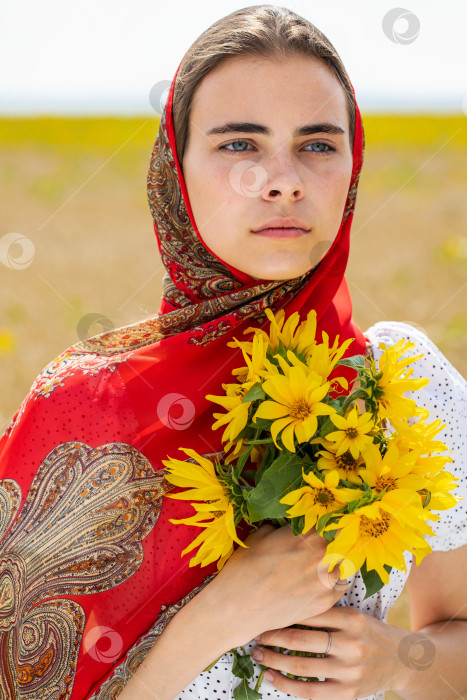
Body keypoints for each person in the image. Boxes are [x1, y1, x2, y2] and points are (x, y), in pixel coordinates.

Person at [1, 5, 466, 700]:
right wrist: (218, 616)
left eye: (316, 144)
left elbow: (453, 631)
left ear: (353, 165)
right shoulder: (83, 403)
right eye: (238, 145)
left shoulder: (401, 383)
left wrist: (397, 659)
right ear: (174, 174)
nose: (281, 180)